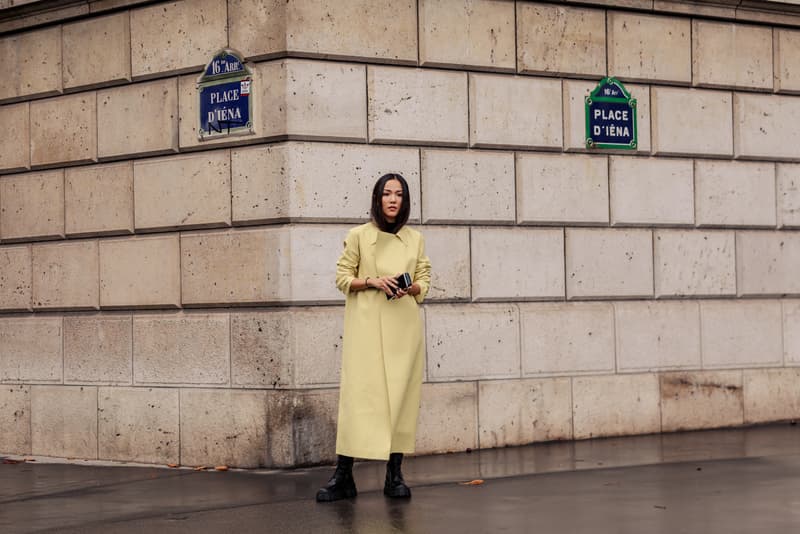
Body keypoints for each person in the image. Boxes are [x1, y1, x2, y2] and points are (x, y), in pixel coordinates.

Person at [316, 173, 431, 502]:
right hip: (366, 329)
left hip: (403, 330)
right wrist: (372, 281)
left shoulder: (415, 239)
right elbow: (341, 277)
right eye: (386, 194)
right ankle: (344, 475)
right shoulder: (359, 236)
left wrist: (410, 287)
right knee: (358, 399)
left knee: (400, 401)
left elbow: (426, 278)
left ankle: (394, 475)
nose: (393, 200)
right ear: (377, 199)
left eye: (398, 194)